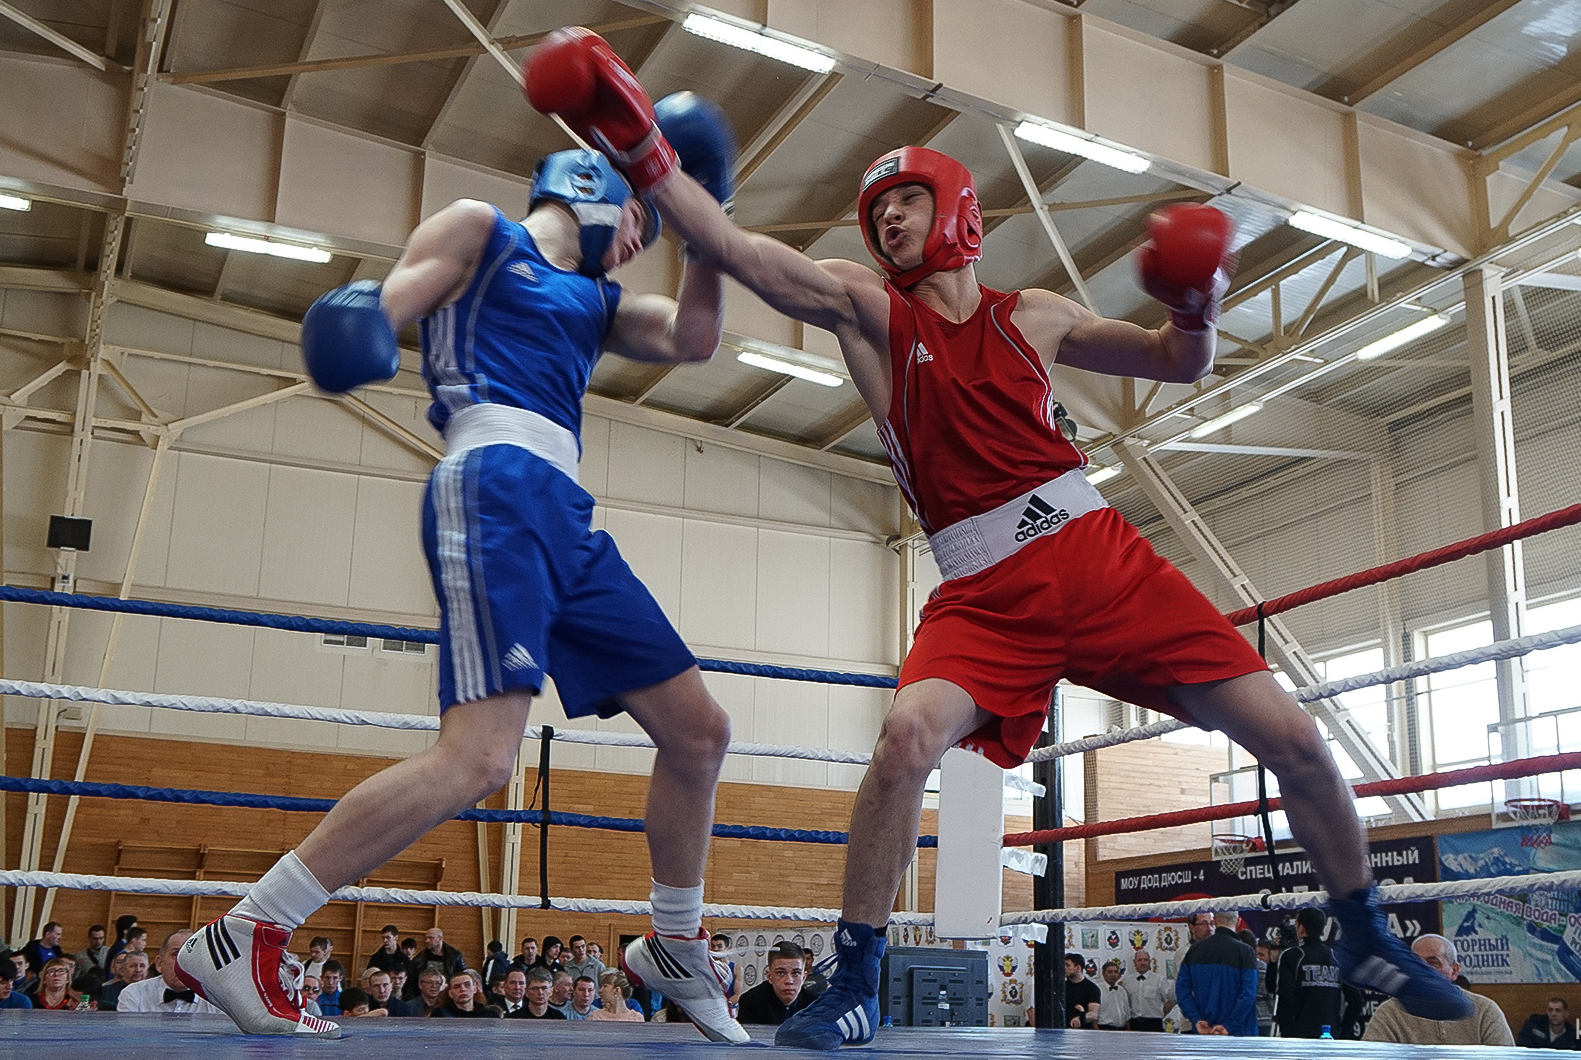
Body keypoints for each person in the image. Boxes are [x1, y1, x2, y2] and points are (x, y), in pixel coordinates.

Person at [517, 24, 1476, 1050]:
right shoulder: (866, 309)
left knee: (1289, 733)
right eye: (875, 210)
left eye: (905, 199)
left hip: (1103, 558)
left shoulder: (1042, 317)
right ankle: (855, 975)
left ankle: (1367, 926)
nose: (887, 219)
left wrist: (1199, 297)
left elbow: (1177, 360)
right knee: (903, 741)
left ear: (958, 207)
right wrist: (645, 154)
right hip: (982, 591)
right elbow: (743, 256)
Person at [177, 140, 743, 1046]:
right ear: (594, 190)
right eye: (643, 212)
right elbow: (385, 304)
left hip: (565, 512)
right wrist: (360, 325)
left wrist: (707, 228)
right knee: (478, 759)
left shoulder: (601, 303)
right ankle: (245, 930)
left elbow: (693, 339)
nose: (645, 232)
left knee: (699, 731)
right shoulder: (484, 232)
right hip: (494, 487)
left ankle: (674, 942)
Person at [1361, 935, 1509, 1046]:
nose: (1423, 970)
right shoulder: (1389, 1012)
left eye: (1433, 963)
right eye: (1417, 963)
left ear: (1454, 971)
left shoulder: (1485, 1011)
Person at [1175, 911, 1256, 1036]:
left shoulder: (1194, 950)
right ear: (1239, 921)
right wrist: (1229, 1026)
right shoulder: (1246, 952)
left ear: (1215, 922)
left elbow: (1181, 991)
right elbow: (1248, 994)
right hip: (1240, 1035)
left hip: (1204, 1033)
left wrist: (1196, 1019)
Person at [1275, 908, 1342, 1039]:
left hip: (1300, 1037)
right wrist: (1342, 1032)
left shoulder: (1293, 956)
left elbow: (1285, 998)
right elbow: (1355, 1001)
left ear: (1301, 928)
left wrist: (1288, 1036)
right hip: (1331, 1035)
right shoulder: (1337, 958)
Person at [118, 931, 221, 1015]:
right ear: (159, 963)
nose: (184, 961)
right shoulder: (134, 994)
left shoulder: (218, 1000)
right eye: (176, 953)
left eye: (193, 954)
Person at [738, 942, 819, 1025]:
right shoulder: (752, 1001)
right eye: (780, 973)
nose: (789, 981)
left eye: (796, 973)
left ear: (804, 978)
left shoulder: (815, 1004)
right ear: (769, 976)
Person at [1127, 951, 1174, 1032]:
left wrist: (1161, 1013)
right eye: (1140, 960)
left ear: (1150, 962)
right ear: (1134, 962)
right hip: (1134, 1023)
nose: (1143, 962)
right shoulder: (1127, 981)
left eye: (1146, 960)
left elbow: (1171, 1000)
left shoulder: (1159, 979)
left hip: (1154, 1023)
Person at [432, 970, 497, 1018]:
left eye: (467, 985)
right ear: (450, 993)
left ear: (474, 989)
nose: (462, 989)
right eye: (456, 986)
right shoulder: (440, 1015)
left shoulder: (489, 1015)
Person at [1063, 952, 1102, 1029]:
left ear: (1078, 968)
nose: (1064, 968)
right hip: (1064, 1030)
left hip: (1084, 1033)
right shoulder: (1062, 987)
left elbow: (1094, 1014)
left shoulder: (1092, 988)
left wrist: (1080, 1018)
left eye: (1067, 965)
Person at [1096, 955, 1132, 1030]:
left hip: (1122, 1030)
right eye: (1110, 972)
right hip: (1105, 1029)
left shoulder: (1121, 990)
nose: (1113, 974)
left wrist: (1128, 1031)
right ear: (1103, 973)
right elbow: (1094, 1015)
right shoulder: (1097, 990)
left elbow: (1127, 1013)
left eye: (1115, 972)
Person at [72, 924, 109, 994]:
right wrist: (78, 968)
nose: (98, 941)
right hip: (86, 988)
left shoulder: (109, 952)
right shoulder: (79, 956)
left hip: (104, 986)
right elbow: (74, 977)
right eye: (95, 939)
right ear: (89, 938)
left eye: (101, 938)